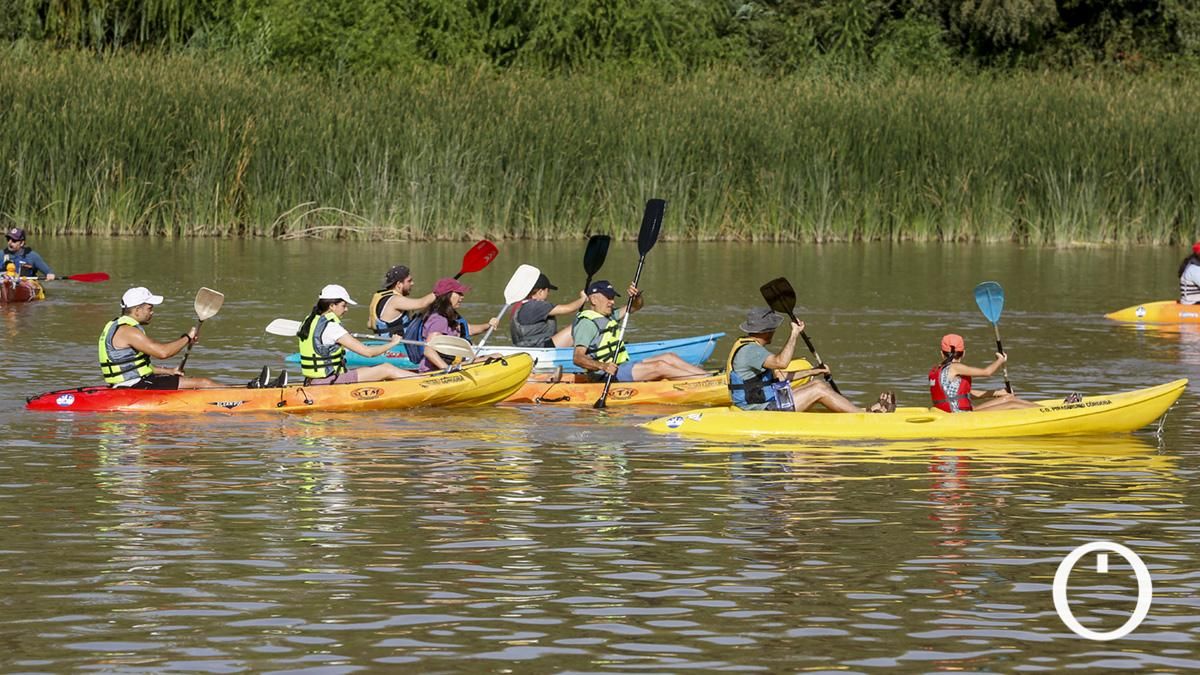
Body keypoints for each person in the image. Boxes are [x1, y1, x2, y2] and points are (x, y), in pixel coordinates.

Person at [728, 307, 895, 412]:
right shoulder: (751, 351)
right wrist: (794, 334)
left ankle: (861, 410)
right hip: (758, 410)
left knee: (818, 384)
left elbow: (781, 376)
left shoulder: (752, 348)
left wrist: (816, 371)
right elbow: (782, 362)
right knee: (819, 391)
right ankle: (866, 415)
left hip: (767, 402)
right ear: (766, 330)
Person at [572, 279, 709, 382]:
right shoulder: (587, 324)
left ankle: (707, 378)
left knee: (669, 357)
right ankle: (704, 383)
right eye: (608, 297)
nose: (612, 302)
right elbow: (578, 358)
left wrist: (636, 297)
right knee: (660, 366)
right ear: (594, 299)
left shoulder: (610, 315)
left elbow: (635, 306)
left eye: (612, 298)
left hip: (620, 367)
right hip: (605, 375)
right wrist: (603, 366)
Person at [98, 287, 219, 389]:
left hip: (128, 384)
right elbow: (163, 353)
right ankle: (236, 400)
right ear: (137, 310)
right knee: (204, 383)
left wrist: (170, 371)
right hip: (134, 385)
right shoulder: (128, 331)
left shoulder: (116, 326)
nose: (152, 312)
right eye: (149, 308)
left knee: (188, 380)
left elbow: (137, 368)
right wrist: (188, 337)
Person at [297, 284, 420, 385]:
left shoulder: (309, 321)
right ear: (332, 306)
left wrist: (342, 337)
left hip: (313, 380)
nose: (346, 309)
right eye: (344, 305)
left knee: (366, 370)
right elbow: (368, 353)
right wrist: (393, 343)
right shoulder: (333, 328)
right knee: (386, 368)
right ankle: (425, 383)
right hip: (329, 380)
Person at [929, 333, 1037, 412]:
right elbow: (987, 372)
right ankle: (1048, 413)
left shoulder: (938, 370)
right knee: (1012, 404)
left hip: (958, 412)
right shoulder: (955, 368)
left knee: (1009, 398)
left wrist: (998, 393)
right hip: (960, 415)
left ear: (942, 354)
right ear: (963, 353)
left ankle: (1044, 410)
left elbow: (966, 394)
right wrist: (1000, 360)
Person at [418, 278, 498, 372]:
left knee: (496, 356)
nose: (462, 296)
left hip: (452, 365)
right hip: (435, 371)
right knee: (496, 358)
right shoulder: (439, 320)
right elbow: (428, 350)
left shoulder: (451, 316)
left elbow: (468, 329)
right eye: (459, 293)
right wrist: (447, 369)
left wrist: (488, 325)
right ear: (447, 295)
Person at [510, 272, 586, 348]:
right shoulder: (537, 306)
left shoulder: (520, 306)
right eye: (548, 291)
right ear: (540, 292)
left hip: (526, 347)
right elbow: (569, 309)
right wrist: (583, 299)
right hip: (541, 348)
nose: (548, 294)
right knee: (581, 325)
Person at [367, 265, 436, 335]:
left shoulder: (382, 296)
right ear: (399, 284)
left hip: (380, 341)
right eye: (409, 281)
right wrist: (441, 291)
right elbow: (422, 303)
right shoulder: (395, 300)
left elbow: (369, 324)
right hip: (395, 343)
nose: (412, 283)